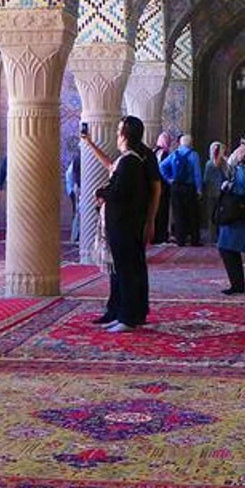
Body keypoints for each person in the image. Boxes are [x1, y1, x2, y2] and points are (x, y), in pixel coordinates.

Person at [92, 115, 154, 330]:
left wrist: (101, 193)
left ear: (126, 135)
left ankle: (128, 317)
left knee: (127, 270)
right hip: (125, 224)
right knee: (123, 270)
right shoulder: (130, 160)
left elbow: (119, 192)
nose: (117, 135)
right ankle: (123, 313)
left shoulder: (129, 162)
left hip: (125, 226)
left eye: (119, 131)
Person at [214, 138, 245, 294]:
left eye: (239, 150)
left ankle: (236, 285)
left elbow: (241, 189)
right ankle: (238, 284)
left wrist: (227, 187)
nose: (236, 152)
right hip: (242, 211)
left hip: (236, 212)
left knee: (227, 248)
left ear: (244, 154)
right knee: (232, 250)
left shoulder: (243, 169)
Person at [162, 133, 202, 246]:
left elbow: (162, 166)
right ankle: (194, 239)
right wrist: (199, 189)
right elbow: (197, 173)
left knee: (178, 213)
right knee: (192, 213)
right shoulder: (194, 155)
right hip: (189, 187)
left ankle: (180, 239)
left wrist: (169, 179)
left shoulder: (174, 154)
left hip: (176, 187)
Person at [201, 141, 227, 245]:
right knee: (220, 215)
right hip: (221, 192)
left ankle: (212, 237)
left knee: (211, 215)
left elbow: (206, 179)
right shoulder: (223, 162)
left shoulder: (209, 163)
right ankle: (221, 237)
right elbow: (227, 175)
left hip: (211, 192)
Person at [151, 131, 174, 244]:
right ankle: (161, 236)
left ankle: (154, 235)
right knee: (162, 211)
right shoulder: (164, 153)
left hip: (153, 186)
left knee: (155, 211)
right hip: (162, 187)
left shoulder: (153, 151)